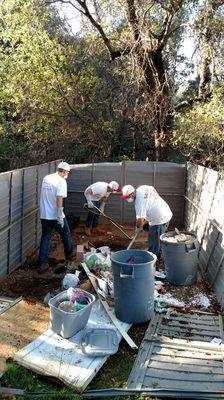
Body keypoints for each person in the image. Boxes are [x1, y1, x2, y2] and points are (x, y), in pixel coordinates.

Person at [38, 161, 74, 272]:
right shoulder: (61, 181)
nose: (67, 174)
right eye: (67, 172)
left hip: (44, 214)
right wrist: (59, 214)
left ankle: (42, 263)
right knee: (66, 233)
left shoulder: (47, 178)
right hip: (55, 215)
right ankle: (69, 256)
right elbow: (59, 198)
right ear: (63, 171)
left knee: (46, 237)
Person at [120, 184, 172, 258]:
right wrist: (142, 224)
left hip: (159, 220)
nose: (127, 198)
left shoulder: (139, 202)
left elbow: (140, 221)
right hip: (165, 211)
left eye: (128, 196)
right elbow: (151, 193)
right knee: (156, 239)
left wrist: (138, 227)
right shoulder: (142, 188)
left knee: (154, 243)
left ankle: (153, 261)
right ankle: (158, 254)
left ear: (133, 193)